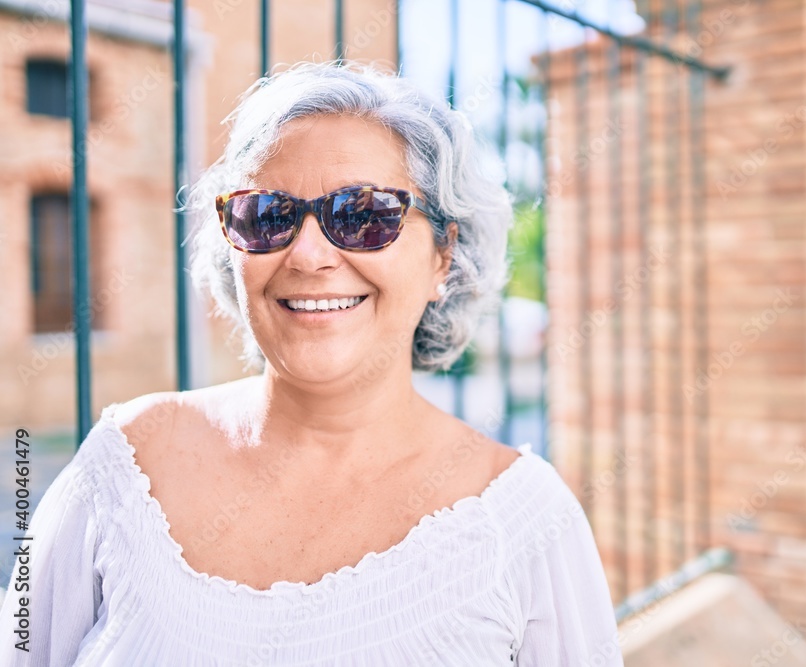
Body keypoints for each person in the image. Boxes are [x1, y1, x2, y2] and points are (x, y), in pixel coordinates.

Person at [0, 61, 623, 666]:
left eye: (364, 214)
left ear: (442, 254)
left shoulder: (522, 521)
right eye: (267, 214)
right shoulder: (122, 463)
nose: (307, 254)